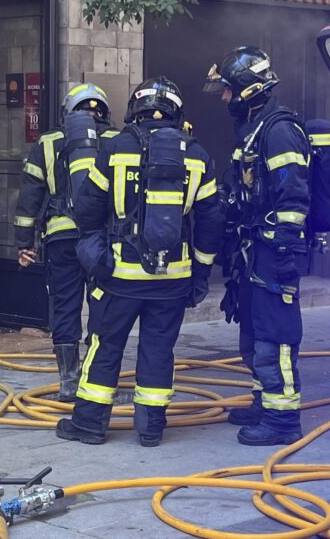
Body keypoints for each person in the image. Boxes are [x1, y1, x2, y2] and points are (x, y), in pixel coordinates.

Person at [55, 77, 224, 447]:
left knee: (105, 344)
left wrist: (98, 250)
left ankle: (89, 424)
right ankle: (150, 429)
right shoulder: (196, 155)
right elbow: (212, 222)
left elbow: (86, 209)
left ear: (136, 109)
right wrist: (201, 271)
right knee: (159, 350)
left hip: (119, 276)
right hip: (174, 278)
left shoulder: (116, 147)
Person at [206, 47, 311, 446]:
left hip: (273, 252)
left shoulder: (279, 130)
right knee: (252, 329)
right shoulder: (255, 127)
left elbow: (293, 198)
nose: (224, 98)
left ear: (248, 90)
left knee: (276, 332)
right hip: (253, 249)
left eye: (228, 90)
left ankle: (283, 420)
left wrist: (285, 250)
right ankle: (264, 402)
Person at [13, 83, 118, 401]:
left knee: (64, 306)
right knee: (103, 305)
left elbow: (30, 196)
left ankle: (69, 381)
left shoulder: (47, 142)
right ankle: (96, 378)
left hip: (61, 240)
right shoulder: (117, 140)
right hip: (101, 239)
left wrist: (24, 242)